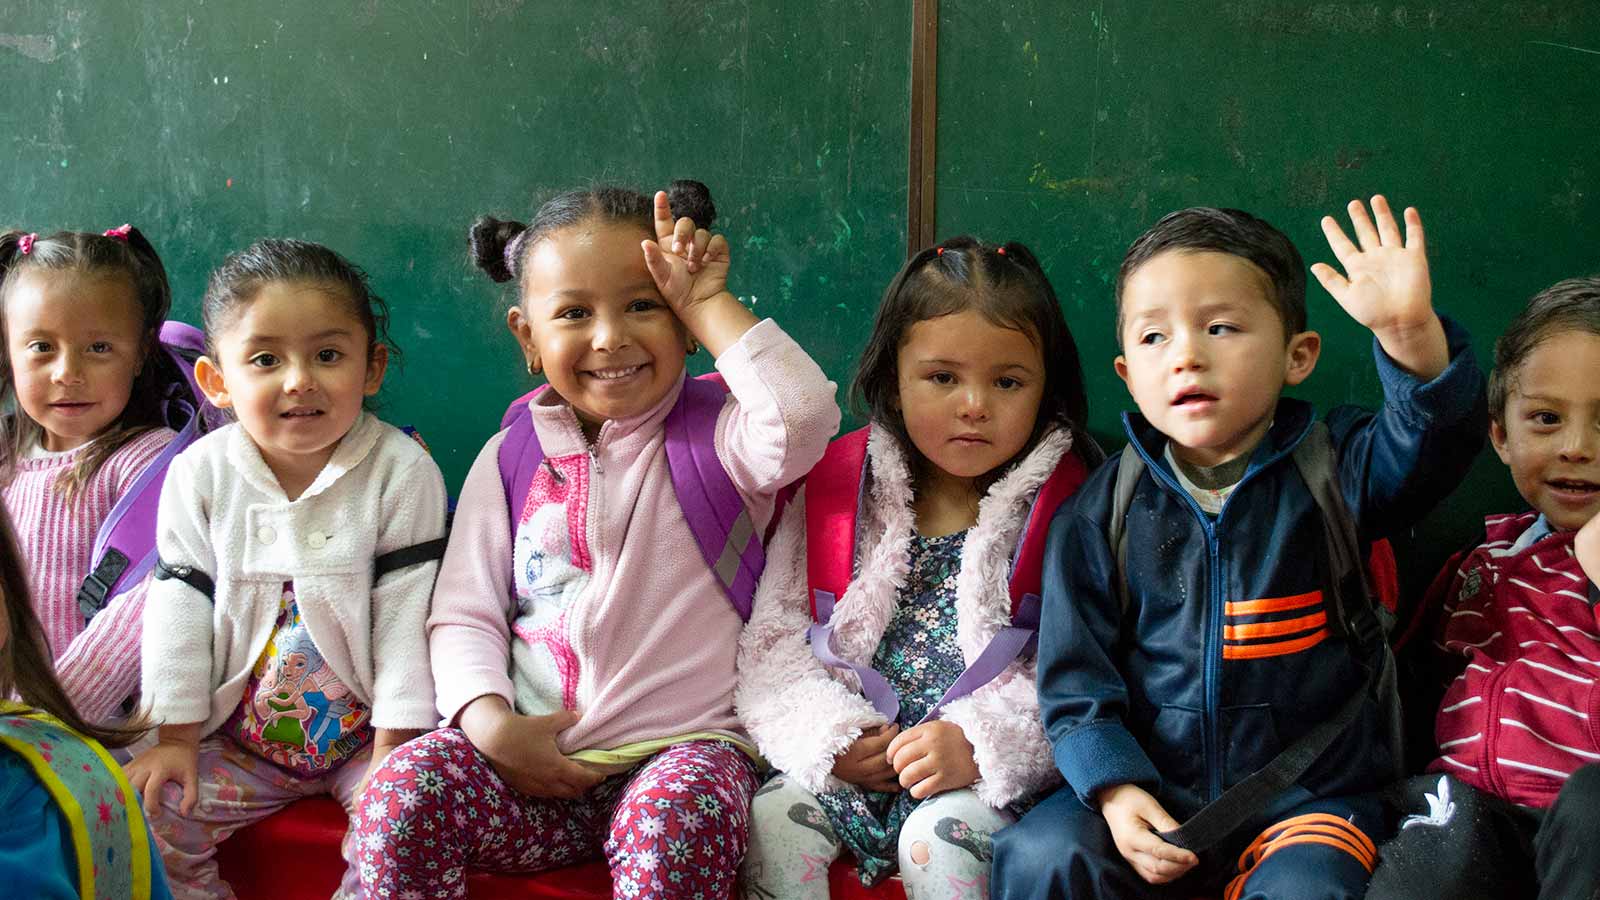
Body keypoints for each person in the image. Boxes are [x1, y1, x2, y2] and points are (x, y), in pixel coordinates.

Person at [351, 181, 840, 899]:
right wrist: (489, 725)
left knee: (677, 826)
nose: (609, 337)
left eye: (643, 305)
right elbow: (464, 614)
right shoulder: (510, 456)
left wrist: (709, 304)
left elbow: (804, 418)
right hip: (528, 765)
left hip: (683, 757)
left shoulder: (727, 437)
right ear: (527, 336)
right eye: (574, 313)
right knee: (400, 798)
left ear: (681, 322)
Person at [993, 197, 1487, 899]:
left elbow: (1434, 449)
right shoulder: (1100, 511)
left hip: (1308, 799)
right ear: (1128, 374)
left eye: (1220, 327)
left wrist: (1411, 339)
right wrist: (1113, 788)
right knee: (1044, 855)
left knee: (1308, 889)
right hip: (1152, 793)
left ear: (1298, 355)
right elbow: (1076, 685)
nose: (1187, 354)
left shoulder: (1337, 467)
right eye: (1154, 337)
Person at [737, 236, 1096, 898]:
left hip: (978, 784)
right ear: (894, 381)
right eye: (942, 377)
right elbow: (774, 644)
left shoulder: (1072, 509)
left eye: (1008, 381)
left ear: (1046, 389)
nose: (974, 405)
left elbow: (1084, 678)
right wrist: (830, 737)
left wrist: (979, 746)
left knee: (940, 843)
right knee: (773, 820)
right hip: (847, 767)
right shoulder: (840, 489)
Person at [127, 238, 448, 899]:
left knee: (410, 820)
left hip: (365, 741)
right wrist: (177, 738)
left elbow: (405, 615)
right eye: (266, 359)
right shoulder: (201, 474)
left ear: (372, 367)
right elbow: (178, 607)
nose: (299, 379)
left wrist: (396, 743)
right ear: (217, 382)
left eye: (328, 355)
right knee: (151, 811)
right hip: (237, 743)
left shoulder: (401, 471)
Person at [1366, 276, 1600, 900]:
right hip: (1477, 810)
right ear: (1501, 435)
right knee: (1438, 841)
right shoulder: (1482, 562)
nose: (1577, 448)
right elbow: (1416, 680)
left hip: (1583, 820)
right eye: (1546, 419)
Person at [0, 226, 180, 723]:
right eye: (41, 347)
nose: (67, 373)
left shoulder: (148, 462)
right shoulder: (5, 457)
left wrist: (50, 718)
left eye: (99, 348)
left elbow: (149, 604)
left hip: (91, 732)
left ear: (142, 352)